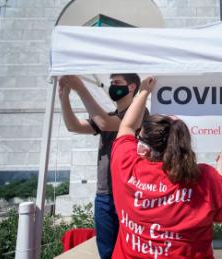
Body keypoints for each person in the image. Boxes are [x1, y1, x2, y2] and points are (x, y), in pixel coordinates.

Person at [110, 76, 222, 259]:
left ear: (144, 150)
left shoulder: (126, 165)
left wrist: (144, 91)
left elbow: (127, 127)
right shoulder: (206, 177)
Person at [58, 74, 143, 259]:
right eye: (111, 83)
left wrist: (81, 88)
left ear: (132, 87)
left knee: (131, 251)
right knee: (107, 252)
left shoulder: (140, 114)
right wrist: (64, 96)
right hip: (104, 195)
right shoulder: (109, 116)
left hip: (130, 194)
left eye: (117, 83)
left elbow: (105, 124)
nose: (113, 87)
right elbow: (74, 126)